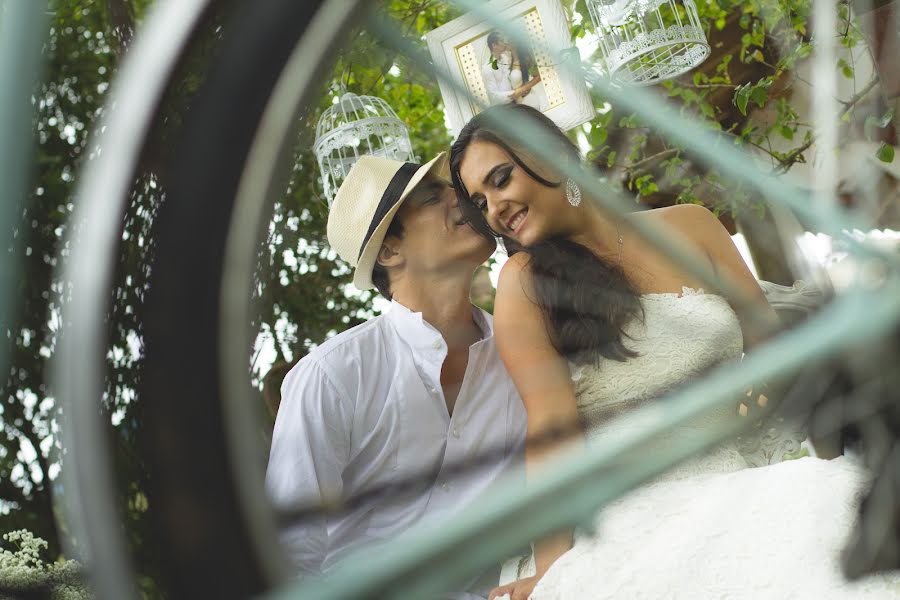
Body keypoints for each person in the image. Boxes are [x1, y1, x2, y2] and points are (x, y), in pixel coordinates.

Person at [449, 103, 899, 599]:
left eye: (501, 179)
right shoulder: (525, 284)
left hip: (746, 485)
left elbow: (776, 354)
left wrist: (751, 421)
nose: (494, 207)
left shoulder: (693, 227)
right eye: (479, 200)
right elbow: (553, 434)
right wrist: (550, 569)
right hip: (639, 517)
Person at [265, 153, 527, 598]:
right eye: (433, 196)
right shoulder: (331, 377)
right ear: (389, 250)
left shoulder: (522, 357)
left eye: (456, 189)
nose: (460, 199)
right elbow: (288, 557)